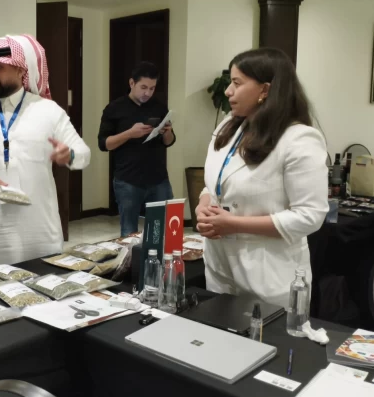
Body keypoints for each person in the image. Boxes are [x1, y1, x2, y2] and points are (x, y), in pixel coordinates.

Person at [195, 47, 328, 308]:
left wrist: (235, 224)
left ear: (265, 90)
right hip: (220, 263)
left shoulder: (299, 139)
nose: (228, 91)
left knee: (266, 333)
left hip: (270, 273)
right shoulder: (228, 127)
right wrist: (203, 207)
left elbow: (310, 216)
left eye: (237, 83)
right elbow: (216, 184)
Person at [0, 34, 91, 270]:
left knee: (40, 289)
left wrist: (70, 155)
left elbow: (83, 153)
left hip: (39, 235)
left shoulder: (48, 111)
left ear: (21, 71)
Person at [97, 61, 176, 237]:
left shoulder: (158, 106)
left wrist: (167, 132)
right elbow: (104, 144)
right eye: (143, 87)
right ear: (132, 83)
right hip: (128, 180)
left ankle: (158, 256)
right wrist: (130, 133)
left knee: (162, 233)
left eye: (152, 88)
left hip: (158, 179)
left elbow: (169, 142)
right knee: (129, 232)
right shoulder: (114, 108)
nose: (147, 93)